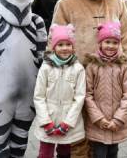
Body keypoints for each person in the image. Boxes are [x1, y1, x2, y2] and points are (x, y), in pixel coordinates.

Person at [33, 24, 85, 158]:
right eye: (60, 44)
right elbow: (38, 97)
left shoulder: (78, 69)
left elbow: (79, 97)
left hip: (67, 121)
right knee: (45, 153)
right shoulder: (45, 68)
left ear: (73, 47)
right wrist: (45, 121)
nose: (64, 48)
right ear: (53, 47)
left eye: (68, 44)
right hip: (48, 120)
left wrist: (68, 122)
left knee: (65, 153)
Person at [85, 21, 127, 158]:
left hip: (117, 122)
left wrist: (118, 119)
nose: (111, 46)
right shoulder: (92, 66)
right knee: (99, 153)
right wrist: (99, 118)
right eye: (107, 42)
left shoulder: (123, 65)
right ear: (100, 43)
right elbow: (87, 95)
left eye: (115, 43)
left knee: (113, 152)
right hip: (98, 124)